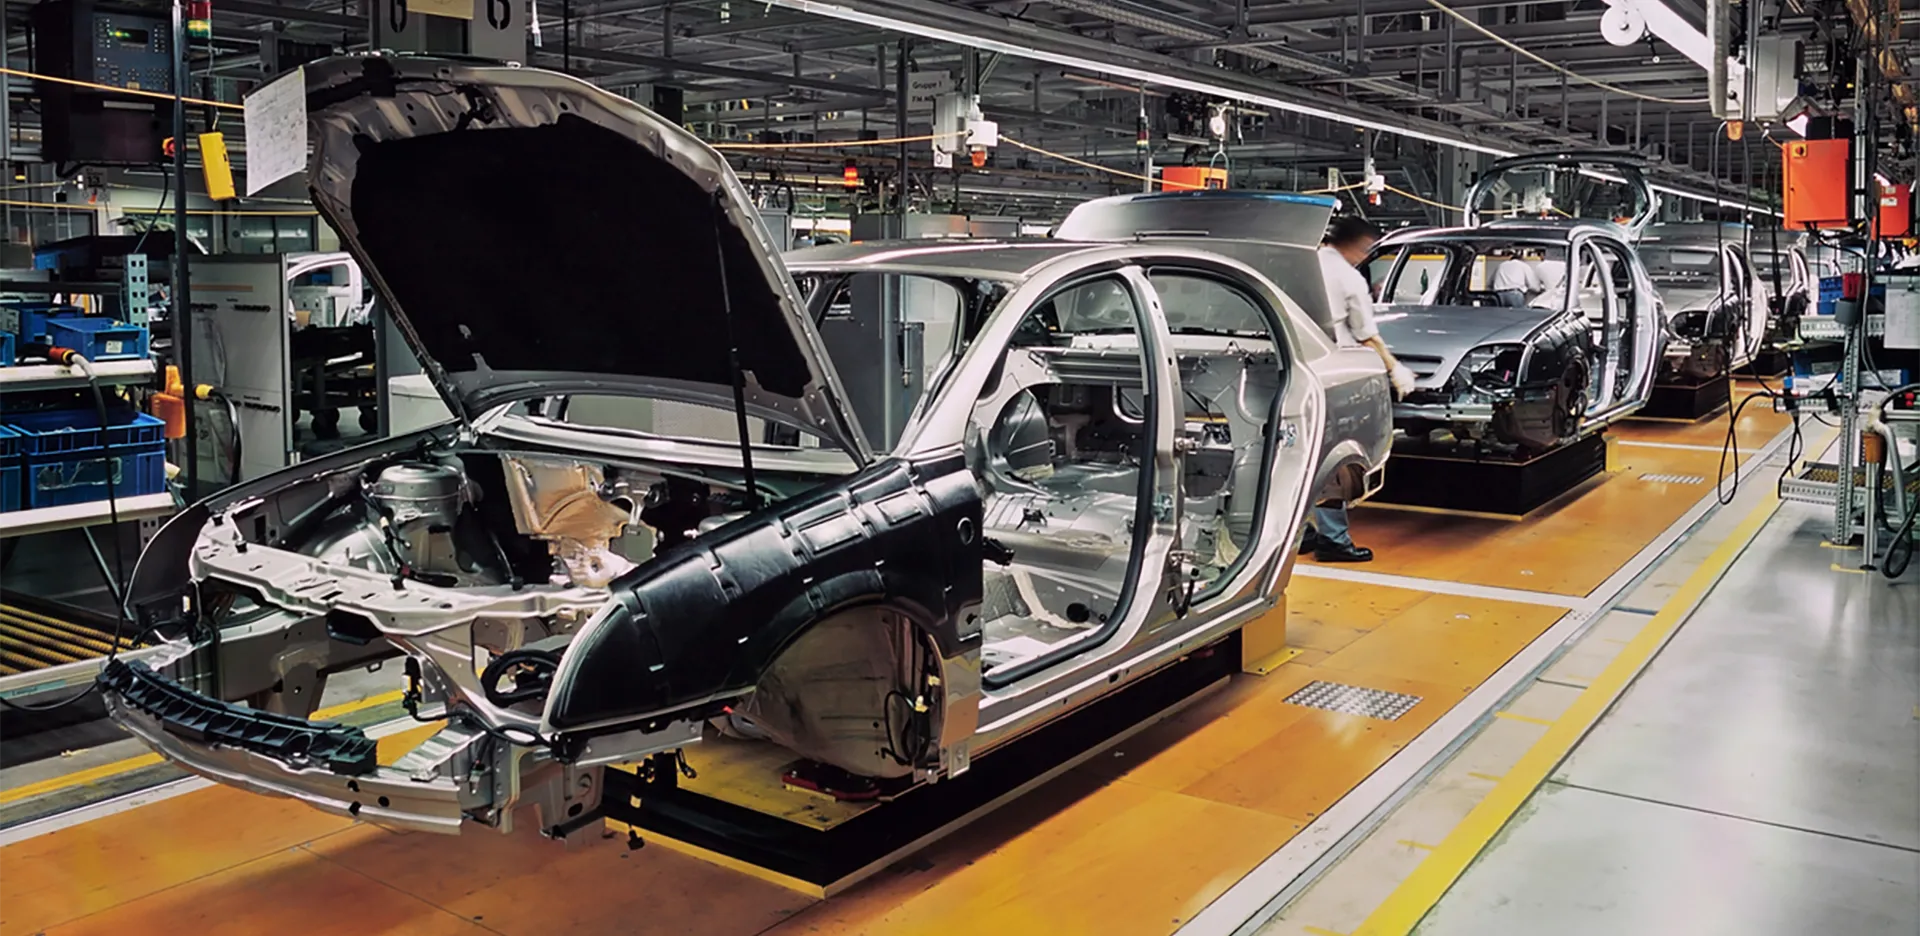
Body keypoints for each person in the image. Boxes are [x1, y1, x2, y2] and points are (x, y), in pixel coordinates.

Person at [1303, 216, 1413, 563]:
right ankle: (1333, 540)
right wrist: (1394, 368)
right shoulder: (1347, 276)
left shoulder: (1304, 262)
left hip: (1294, 373)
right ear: (1356, 244)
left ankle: (1299, 533)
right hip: (1331, 375)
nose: (1366, 254)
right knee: (1334, 457)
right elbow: (1366, 334)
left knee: (1298, 456)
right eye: (1366, 248)